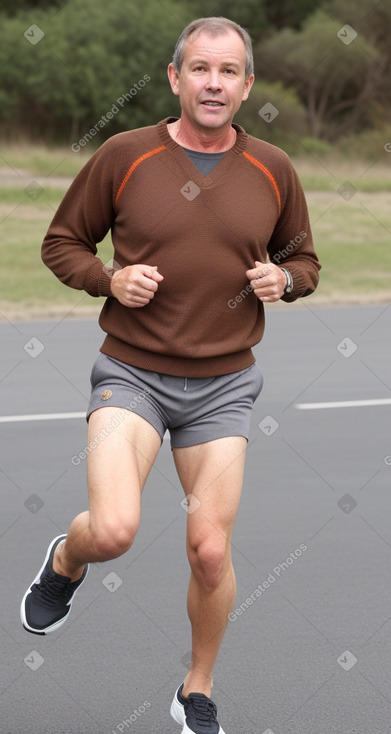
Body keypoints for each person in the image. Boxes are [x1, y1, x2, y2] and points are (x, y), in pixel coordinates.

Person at [20, 16, 321, 734]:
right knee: (116, 529)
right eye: (199, 69)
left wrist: (284, 276)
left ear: (247, 85)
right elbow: (61, 242)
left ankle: (195, 690)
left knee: (210, 549)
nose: (212, 83)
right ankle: (66, 557)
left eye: (227, 72)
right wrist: (106, 279)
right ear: (174, 77)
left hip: (223, 385)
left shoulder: (273, 168)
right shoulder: (124, 155)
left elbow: (305, 262)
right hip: (132, 373)